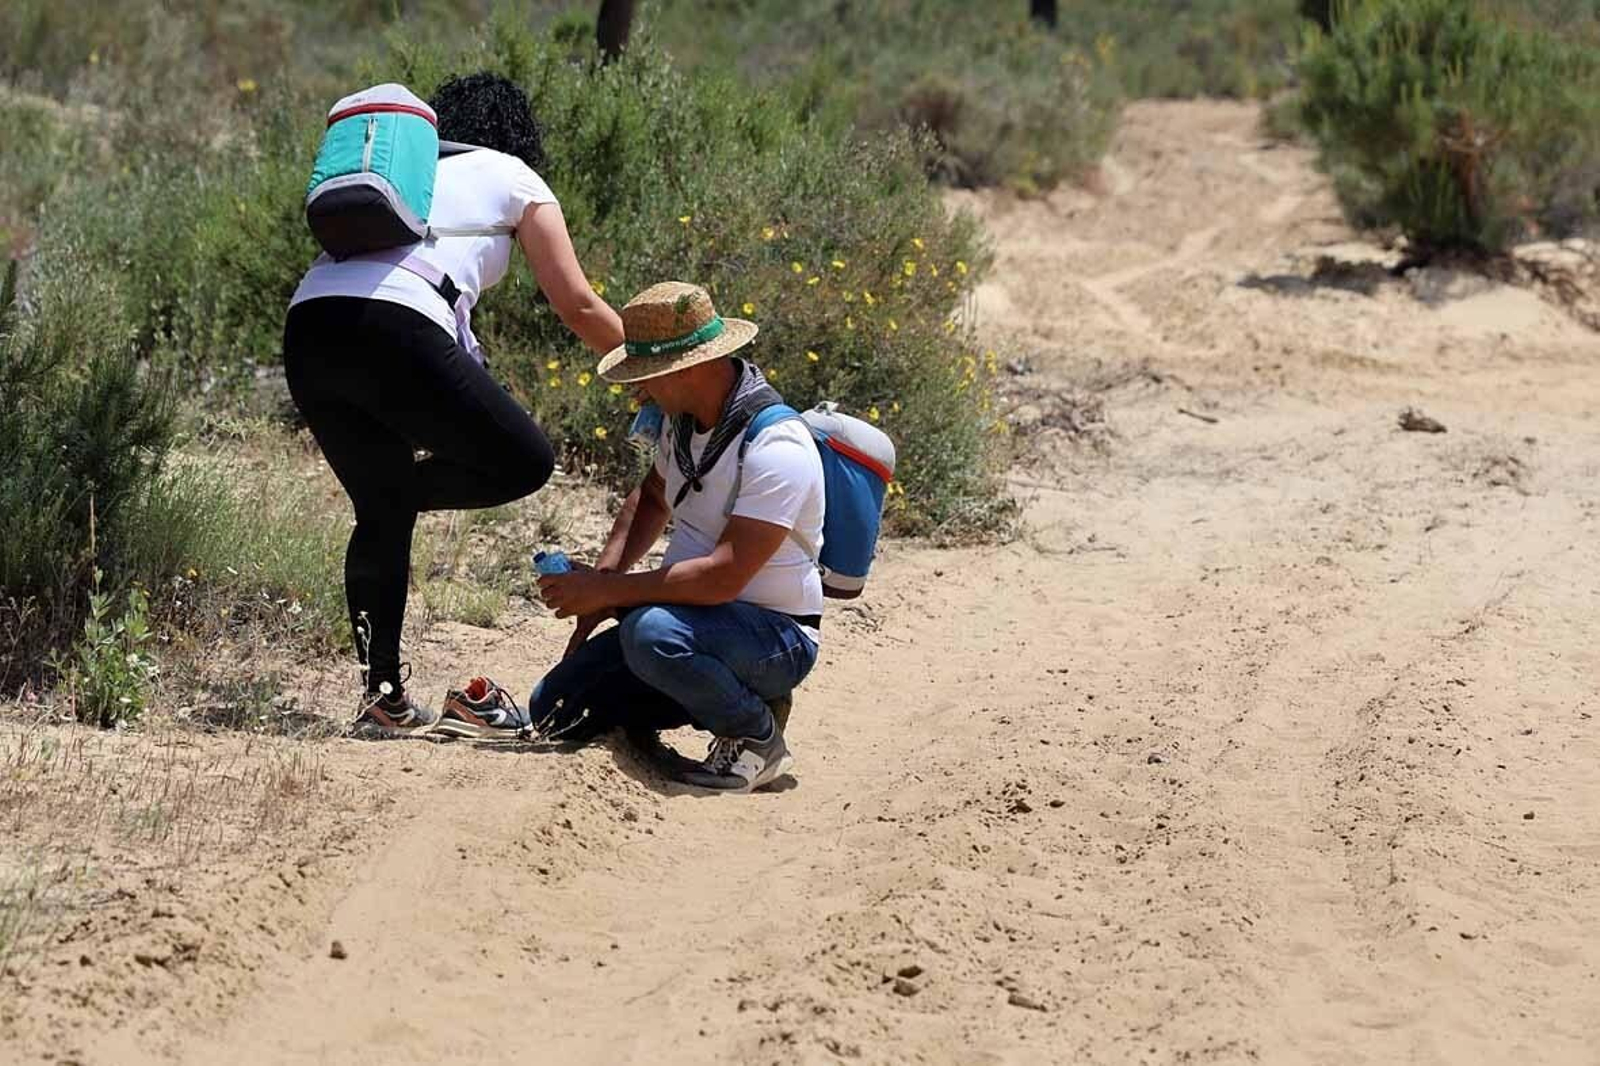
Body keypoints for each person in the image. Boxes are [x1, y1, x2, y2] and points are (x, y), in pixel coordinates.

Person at [283, 72, 623, 736]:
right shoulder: (514, 176)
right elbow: (579, 305)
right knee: (525, 462)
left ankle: (382, 698)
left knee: (381, 508)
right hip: (399, 325)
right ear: (515, 132)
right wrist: (652, 368)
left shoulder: (405, 181)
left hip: (308, 329)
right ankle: (394, 497)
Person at [533, 281, 825, 792]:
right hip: (689, 620)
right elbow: (651, 498)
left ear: (688, 368)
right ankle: (698, 701)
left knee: (651, 634)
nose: (639, 392)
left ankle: (755, 734)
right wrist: (604, 581)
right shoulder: (683, 426)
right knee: (555, 709)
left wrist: (608, 592)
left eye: (646, 378)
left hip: (775, 637)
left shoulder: (778, 445)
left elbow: (721, 578)